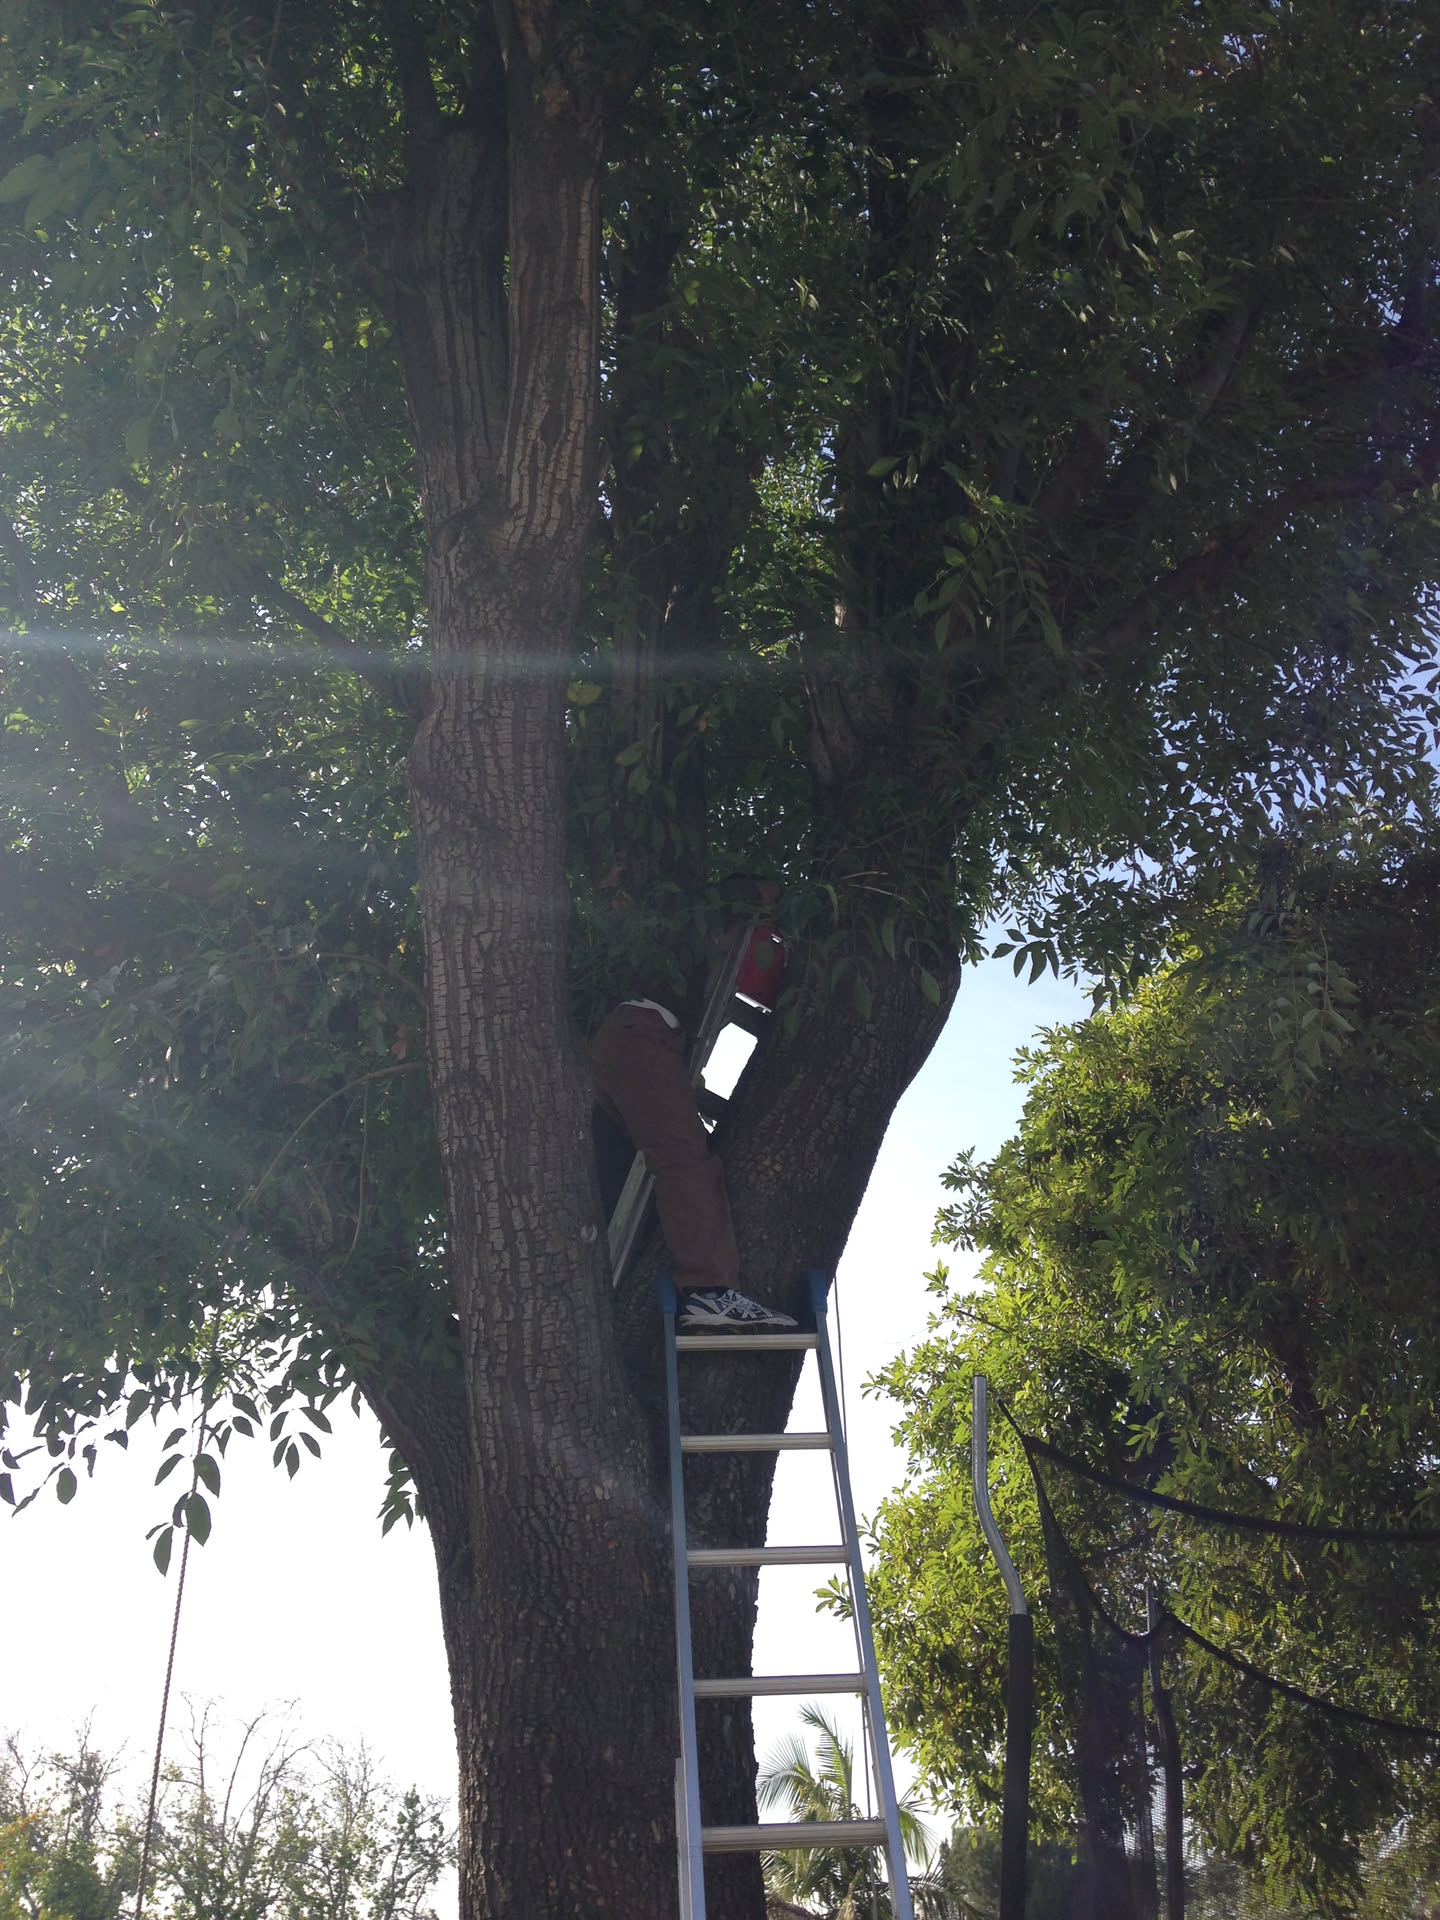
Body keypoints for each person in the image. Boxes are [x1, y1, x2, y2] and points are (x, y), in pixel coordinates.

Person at [589, 924, 796, 1331]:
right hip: (643, 1036)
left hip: (626, 1037)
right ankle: (708, 1290)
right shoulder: (719, 921)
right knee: (684, 1158)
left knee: (628, 1160)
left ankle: (615, 1277)